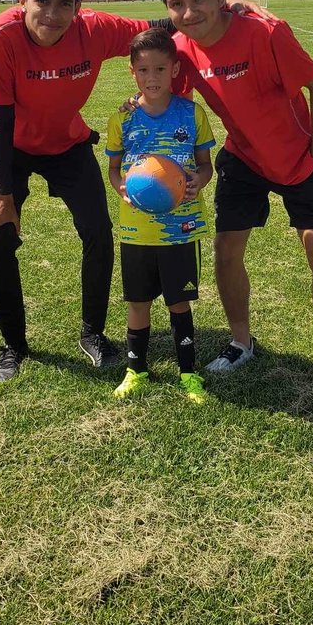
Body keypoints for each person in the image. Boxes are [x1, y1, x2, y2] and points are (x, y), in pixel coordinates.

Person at [0, 0, 258, 382]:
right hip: (1, 143)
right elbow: (1, 117)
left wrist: (232, 6)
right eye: (42, 1)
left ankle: (94, 333)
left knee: (98, 232)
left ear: (78, 7)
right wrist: (5, 198)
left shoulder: (94, 30)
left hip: (66, 143)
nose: (53, 14)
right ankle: (13, 345)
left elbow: (162, 33)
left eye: (64, 3)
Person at [155, 0, 313, 397]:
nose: (190, 12)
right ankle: (241, 341)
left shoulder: (266, 33)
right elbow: (176, 102)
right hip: (243, 158)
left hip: (297, 159)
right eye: (177, 3)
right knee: (226, 251)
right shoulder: (181, 48)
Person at [105, 29, 215, 404]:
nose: (151, 78)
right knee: (137, 302)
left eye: (160, 69)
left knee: (178, 302)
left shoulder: (191, 113)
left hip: (180, 229)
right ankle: (136, 369)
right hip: (136, 229)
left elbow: (205, 165)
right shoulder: (122, 119)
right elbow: (114, 169)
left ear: (175, 69)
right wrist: (120, 186)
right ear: (132, 72)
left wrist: (197, 182)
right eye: (143, 70)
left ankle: (188, 372)